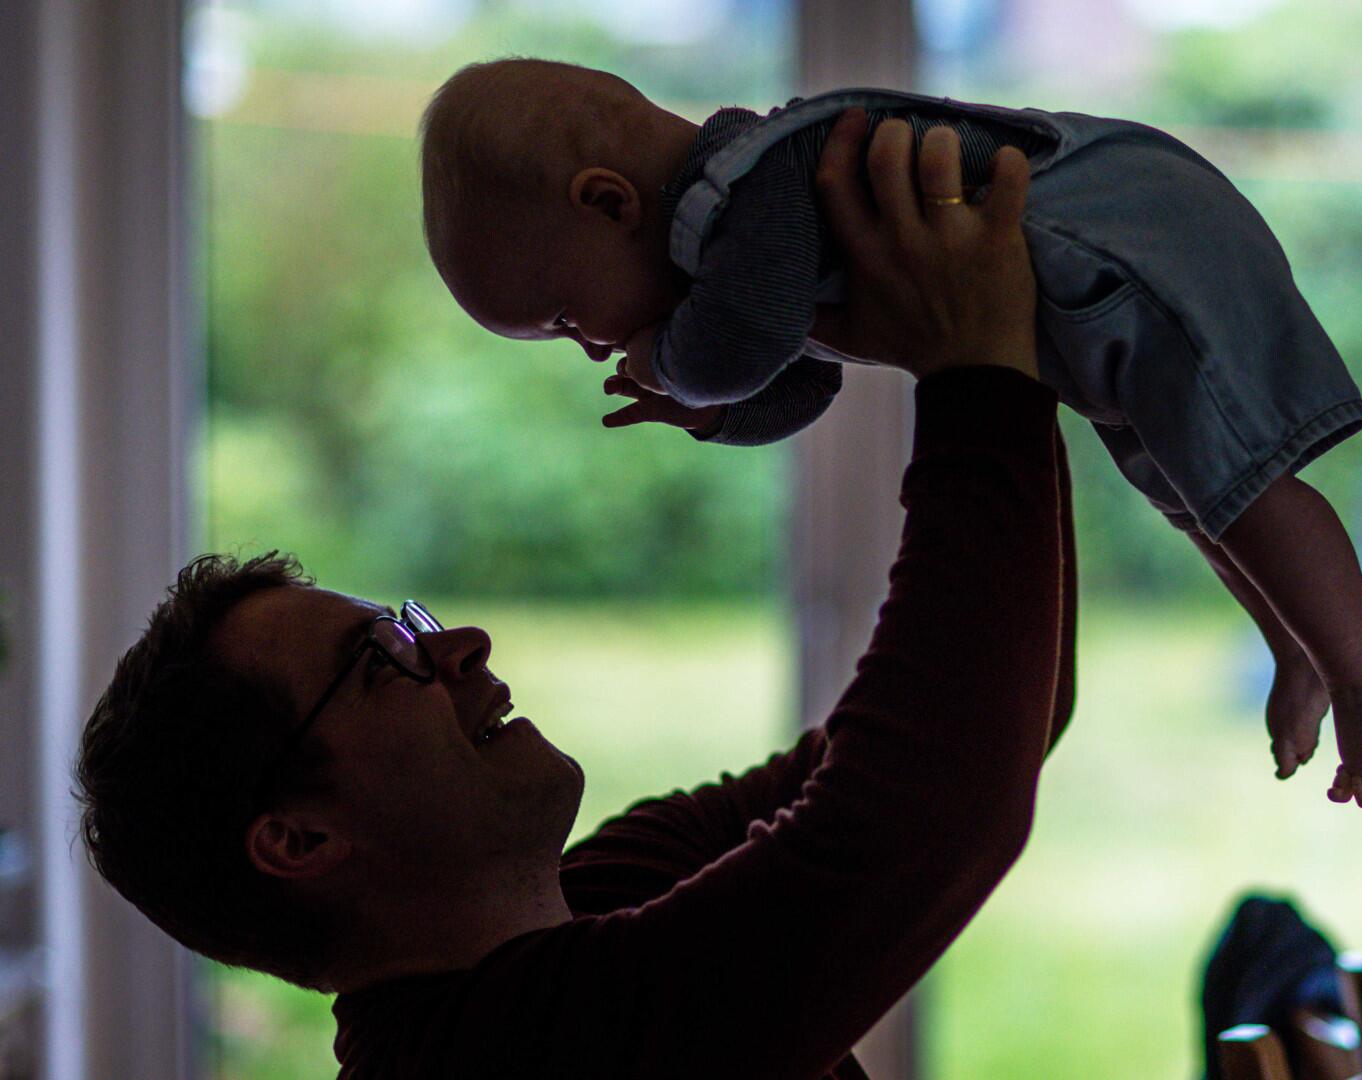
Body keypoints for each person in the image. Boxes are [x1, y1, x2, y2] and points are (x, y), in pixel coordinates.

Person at [75, 108, 1076, 1078]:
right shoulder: (500, 1056)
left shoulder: (610, 891)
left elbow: (993, 726)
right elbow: (921, 810)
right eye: (384, 662)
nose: (461, 643)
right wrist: (978, 372)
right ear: (300, 839)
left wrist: (1020, 354)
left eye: (408, 624)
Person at [417, 58, 1362, 809]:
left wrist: (677, 367)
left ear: (608, 201)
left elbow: (748, 337)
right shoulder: (752, 241)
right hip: (1092, 295)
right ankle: (1299, 645)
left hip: (1128, 241)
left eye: (561, 318)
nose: (588, 346)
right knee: (1198, 491)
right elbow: (801, 378)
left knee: (1240, 477)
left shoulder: (753, 187)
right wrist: (720, 412)